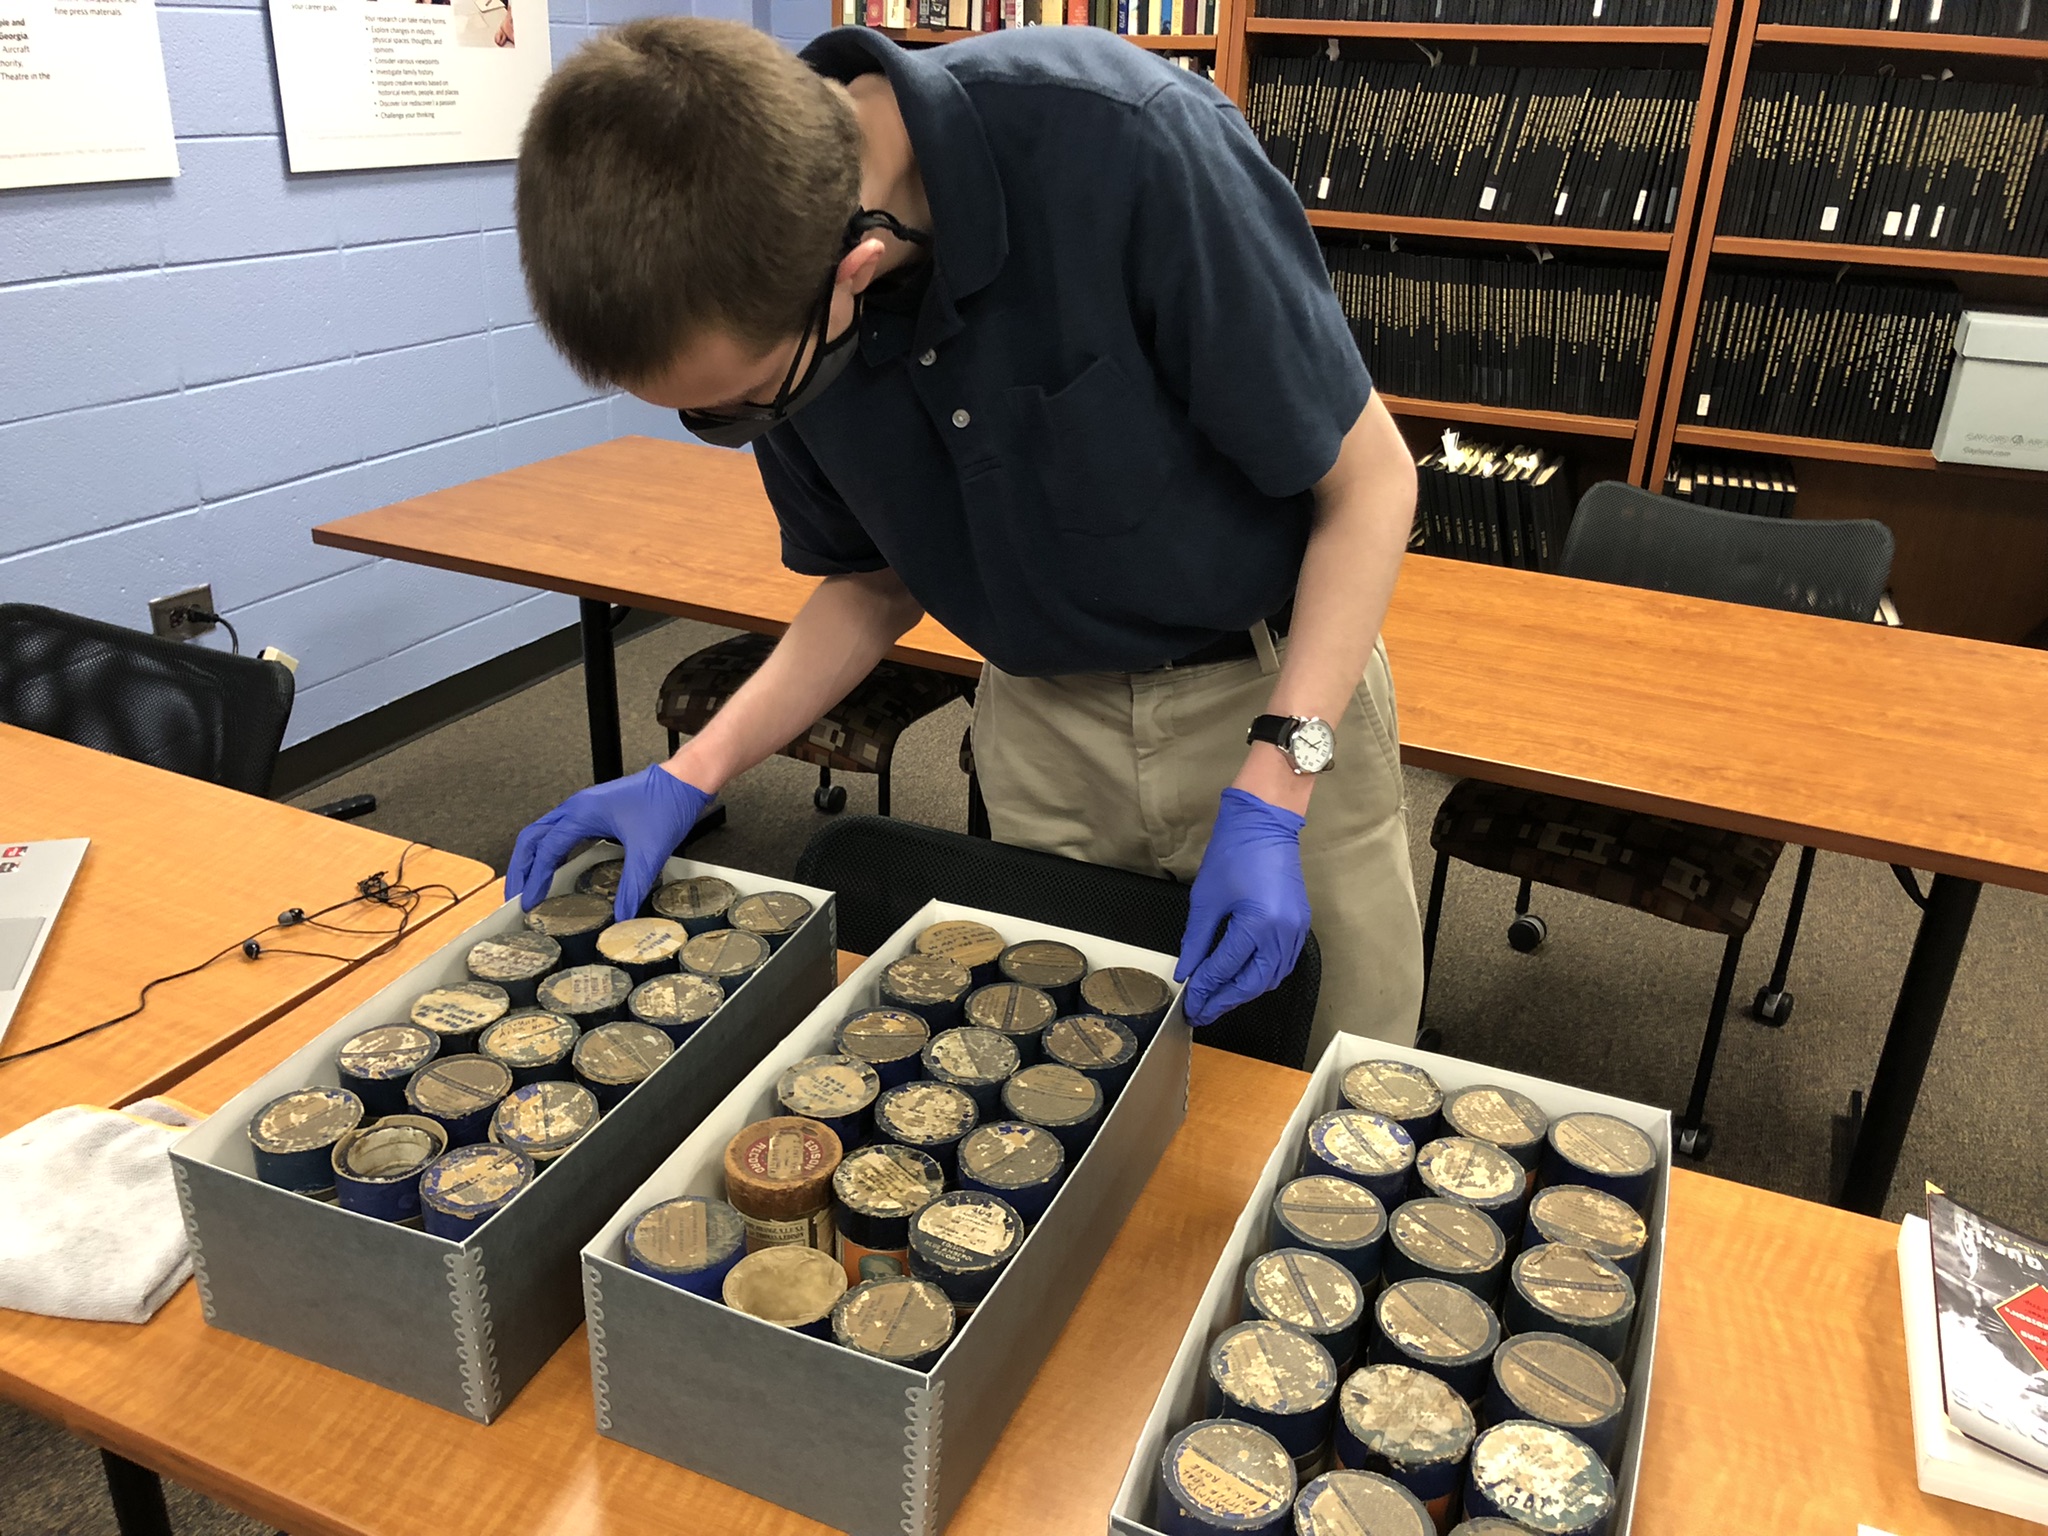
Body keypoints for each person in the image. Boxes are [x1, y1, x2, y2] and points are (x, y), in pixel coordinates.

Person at [507, 17, 1422, 1054]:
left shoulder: (1130, 142)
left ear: (853, 261)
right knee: (1070, 1082)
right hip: (1039, 720)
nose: (742, 427)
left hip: (1274, 690)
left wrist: (1274, 789)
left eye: (745, 401)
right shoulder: (762, 274)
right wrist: (693, 771)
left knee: (1341, 1086)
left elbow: (1372, 484)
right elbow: (871, 582)